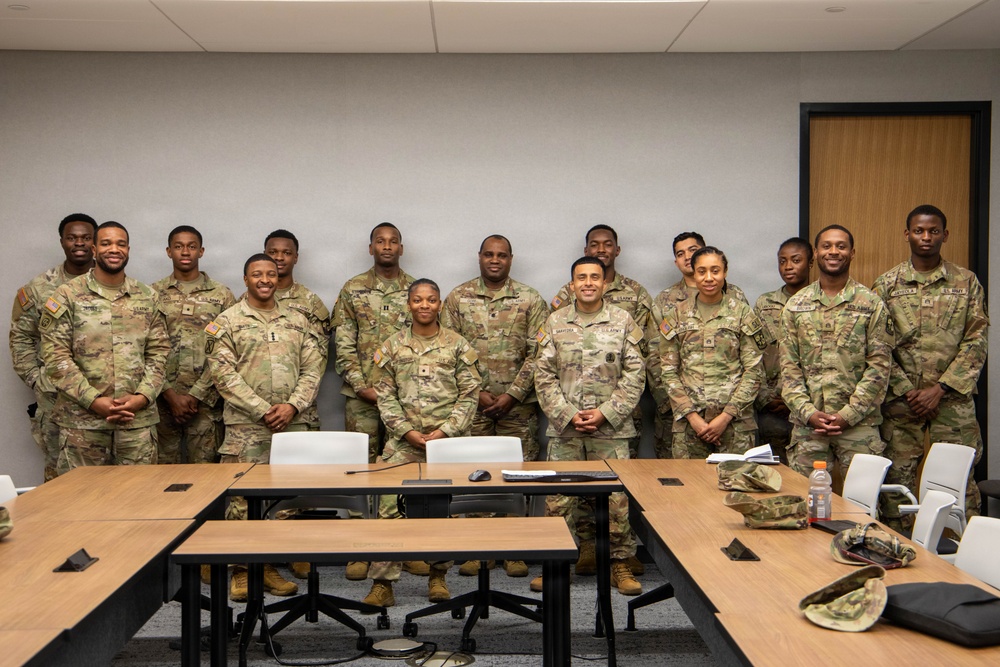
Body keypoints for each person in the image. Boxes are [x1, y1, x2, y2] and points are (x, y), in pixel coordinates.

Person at [204, 253, 324, 601]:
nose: (265, 280)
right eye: (257, 274)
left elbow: (313, 368)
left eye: (270, 274)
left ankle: (271, 564)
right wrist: (262, 410)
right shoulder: (226, 322)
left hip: (293, 423)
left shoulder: (299, 320)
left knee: (287, 499)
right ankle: (242, 571)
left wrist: (292, 406)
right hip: (247, 428)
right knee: (241, 502)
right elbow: (223, 376)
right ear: (246, 279)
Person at [362, 279, 481, 608]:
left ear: (440, 304)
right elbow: (385, 397)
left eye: (431, 300)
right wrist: (407, 432)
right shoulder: (393, 346)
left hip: (447, 444)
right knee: (387, 510)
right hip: (404, 442)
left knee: (444, 512)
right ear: (409, 304)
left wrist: (444, 433)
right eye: (418, 300)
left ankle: (438, 575)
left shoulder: (458, 346)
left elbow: (469, 398)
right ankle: (383, 583)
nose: (424, 305)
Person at [533, 256, 644, 596]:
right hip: (565, 429)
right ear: (571, 284)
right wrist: (566, 414)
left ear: (604, 283)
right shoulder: (555, 323)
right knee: (559, 501)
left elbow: (636, 374)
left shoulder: (623, 321)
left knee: (616, 500)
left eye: (595, 277)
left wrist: (607, 412)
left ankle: (620, 564)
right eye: (581, 277)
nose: (588, 283)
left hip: (611, 430)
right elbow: (543, 375)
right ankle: (557, 565)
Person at [873, 205, 988, 529]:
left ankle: (966, 559)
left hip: (951, 400)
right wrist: (908, 390)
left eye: (933, 231)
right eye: (919, 230)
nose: (926, 237)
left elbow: (976, 341)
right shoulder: (887, 284)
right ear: (907, 234)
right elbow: (879, 345)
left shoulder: (966, 282)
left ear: (945, 235)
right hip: (901, 402)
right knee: (896, 481)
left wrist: (940, 389)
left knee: (959, 481)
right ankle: (900, 551)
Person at [441, 235, 548, 578]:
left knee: (516, 473)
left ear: (511, 259)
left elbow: (539, 354)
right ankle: (477, 547)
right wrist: (478, 392)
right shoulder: (458, 298)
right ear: (479, 257)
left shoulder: (530, 299)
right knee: (473, 473)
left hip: (518, 406)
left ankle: (514, 547)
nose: (495, 260)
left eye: (501, 255)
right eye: (489, 254)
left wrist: (513, 394)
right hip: (471, 404)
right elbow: (449, 350)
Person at [39, 221, 170, 475]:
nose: (114, 249)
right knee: (82, 504)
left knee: (139, 502)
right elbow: (55, 357)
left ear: (128, 249)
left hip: (137, 424)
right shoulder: (67, 295)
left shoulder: (147, 296)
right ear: (94, 249)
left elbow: (160, 354)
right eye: (107, 243)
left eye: (121, 244)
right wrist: (94, 400)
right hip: (82, 423)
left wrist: (141, 397)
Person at [331, 222, 420, 583]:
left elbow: (423, 343)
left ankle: (404, 546)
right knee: (362, 470)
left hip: (407, 401)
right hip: (363, 398)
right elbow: (344, 343)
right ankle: (361, 547)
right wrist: (361, 384)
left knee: (406, 472)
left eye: (393, 241)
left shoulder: (416, 290)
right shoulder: (353, 289)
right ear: (370, 248)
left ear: (402, 247)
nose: (387, 246)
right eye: (380, 241)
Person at [780, 225, 894, 476]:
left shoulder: (871, 304)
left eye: (841, 246)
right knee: (806, 504)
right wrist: (808, 413)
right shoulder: (796, 305)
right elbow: (789, 369)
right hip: (809, 427)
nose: (834, 251)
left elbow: (879, 367)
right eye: (827, 246)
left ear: (852, 253)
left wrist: (848, 414)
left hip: (858, 426)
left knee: (862, 506)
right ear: (816, 253)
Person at [9, 213, 97, 481]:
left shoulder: (115, 284)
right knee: (59, 478)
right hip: (56, 400)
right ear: (61, 242)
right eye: (72, 238)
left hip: (103, 399)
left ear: (96, 243)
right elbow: (21, 337)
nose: (78, 243)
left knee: (109, 481)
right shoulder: (38, 288)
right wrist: (38, 381)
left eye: (85, 238)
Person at [648, 232, 748, 459]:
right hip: (683, 413)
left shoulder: (737, 302)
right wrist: (682, 410)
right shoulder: (669, 305)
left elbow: (751, 364)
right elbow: (658, 360)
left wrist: (727, 414)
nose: (708, 277)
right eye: (680, 254)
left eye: (692, 250)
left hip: (732, 417)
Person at [152, 225, 235, 464]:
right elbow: (144, 349)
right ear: (169, 251)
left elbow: (228, 351)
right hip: (162, 402)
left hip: (206, 405)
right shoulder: (151, 294)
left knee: (207, 479)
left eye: (191, 246)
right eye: (178, 247)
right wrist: (169, 395)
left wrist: (196, 395)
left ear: (201, 251)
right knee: (160, 478)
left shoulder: (222, 296)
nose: (185, 252)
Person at [753, 237, 814, 463]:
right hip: (773, 406)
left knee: (809, 475)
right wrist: (766, 398)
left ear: (810, 262)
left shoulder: (822, 301)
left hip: (813, 407)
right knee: (773, 474)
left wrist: (801, 402)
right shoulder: (764, 304)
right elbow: (753, 354)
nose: (788, 267)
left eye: (796, 260)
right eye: (782, 261)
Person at [263, 229, 330, 430]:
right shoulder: (244, 303)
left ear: (296, 258)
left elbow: (318, 361)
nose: (279, 257)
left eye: (286, 252)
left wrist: (293, 404)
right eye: (273, 252)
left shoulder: (311, 304)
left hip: (299, 411)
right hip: (252, 413)